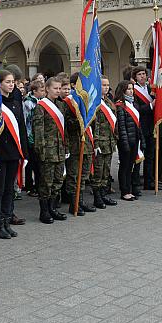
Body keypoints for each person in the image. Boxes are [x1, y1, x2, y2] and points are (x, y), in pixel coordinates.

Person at [0, 70, 25, 238]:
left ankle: (7, 220)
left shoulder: (16, 102)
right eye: (8, 81)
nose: (11, 84)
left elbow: (21, 129)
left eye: (13, 82)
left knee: (10, 189)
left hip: (13, 153)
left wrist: (25, 153)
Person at [32, 77, 69, 223]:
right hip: (47, 150)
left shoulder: (61, 105)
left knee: (58, 181)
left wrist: (65, 146)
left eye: (60, 88)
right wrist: (40, 151)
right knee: (46, 182)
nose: (58, 91)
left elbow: (64, 129)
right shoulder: (41, 106)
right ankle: (44, 211)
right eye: (55, 88)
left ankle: (53, 209)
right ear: (47, 89)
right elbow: (38, 130)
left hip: (60, 150)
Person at [63, 72, 95, 216]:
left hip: (86, 143)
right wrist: (81, 119)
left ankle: (80, 200)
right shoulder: (67, 103)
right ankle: (73, 203)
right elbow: (67, 125)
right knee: (73, 175)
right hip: (75, 145)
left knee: (83, 175)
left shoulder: (86, 102)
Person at [115, 80, 145, 200]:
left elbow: (138, 125)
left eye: (132, 89)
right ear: (123, 90)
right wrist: (125, 143)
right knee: (124, 166)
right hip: (125, 141)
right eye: (128, 89)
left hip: (134, 140)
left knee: (131, 166)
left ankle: (130, 189)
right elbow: (121, 127)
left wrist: (141, 140)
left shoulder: (134, 104)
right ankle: (124, 191)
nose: (131, 91)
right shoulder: (120, 106)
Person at [92, 76, 118, 205]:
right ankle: (97, 198)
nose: (106, 87)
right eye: (103, 85)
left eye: (107, 85)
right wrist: (95, 143)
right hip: (100, 142)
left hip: (109, 141)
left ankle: (103, 194)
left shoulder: (108, 101)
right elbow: (95, 124)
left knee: (106, 171)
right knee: (98, 170)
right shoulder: (95, 102)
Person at [132, 67, 155, 193]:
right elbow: (137, 109)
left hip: (151, 126)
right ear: (135, 77)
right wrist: (152, 105)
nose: (142, 76)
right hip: (140, 127)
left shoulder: (150, 89)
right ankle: (135, 182)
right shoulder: (133, 90)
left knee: (150, 156)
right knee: (139, 156)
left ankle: (149, 181)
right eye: (139, 74)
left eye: (144, 74)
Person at [22, 79, 45, 197]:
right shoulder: (28, 102)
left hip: (37, 135)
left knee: (37, 163)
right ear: (34, 91)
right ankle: (30, 186)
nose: (43, 92)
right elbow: (27, 120)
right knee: (31, 163)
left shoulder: (41, 101)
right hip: (30, 135)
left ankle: (37, 185)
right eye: (41, 90)